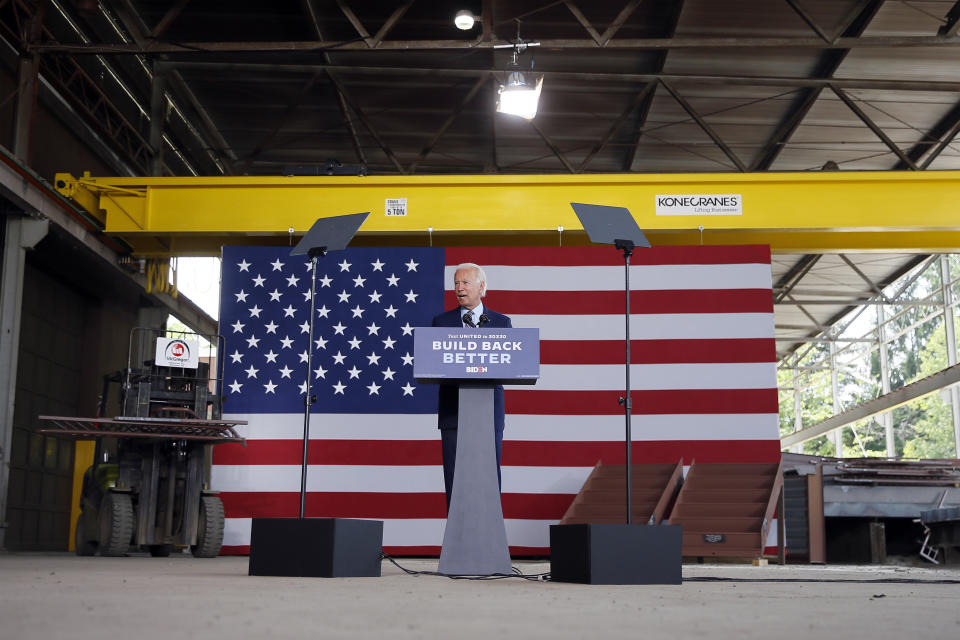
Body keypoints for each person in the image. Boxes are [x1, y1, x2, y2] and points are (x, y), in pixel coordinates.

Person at [431, 263, 512, 512]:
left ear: (482, 286)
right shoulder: (441, 322)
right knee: (455, 478)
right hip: (454, 412)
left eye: (465, 282)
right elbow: (433, 364)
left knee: (487, 476)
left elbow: (509, 364)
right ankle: (457, 544)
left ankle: (490, 543)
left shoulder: (501, 322)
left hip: (488, 412)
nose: (459, 288)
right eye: (456, 283)